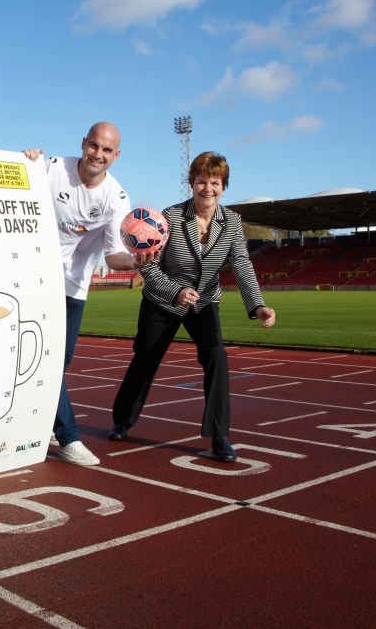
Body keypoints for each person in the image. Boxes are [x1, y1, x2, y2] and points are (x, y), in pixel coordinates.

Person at [109, 151, 276, 461]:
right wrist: (176, 291)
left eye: (215, 182)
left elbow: (240, 262)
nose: (208, 189)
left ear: (224, 186)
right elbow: (149, 267)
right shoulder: (170, 218)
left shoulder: (232, 222)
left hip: (204, 302)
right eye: (201, 182)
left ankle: (220, 436)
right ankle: (122, 419)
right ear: (192, 183)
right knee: (145, 359)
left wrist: (258, 306)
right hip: (162, 301)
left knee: (217, 359)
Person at [23, 123, 154, 466]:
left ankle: (44, 419)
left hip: (73, 287)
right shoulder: (52, 169)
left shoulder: (116, 198)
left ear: (116, 155)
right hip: (33, 279)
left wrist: (136, 262)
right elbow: (9, 186)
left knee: (57, 365)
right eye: (94, 146)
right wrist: (24, 162)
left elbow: (113, 256)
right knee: (48, 364)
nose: (98, 154)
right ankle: (69, 438)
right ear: (83, 144)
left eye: (107, 150)